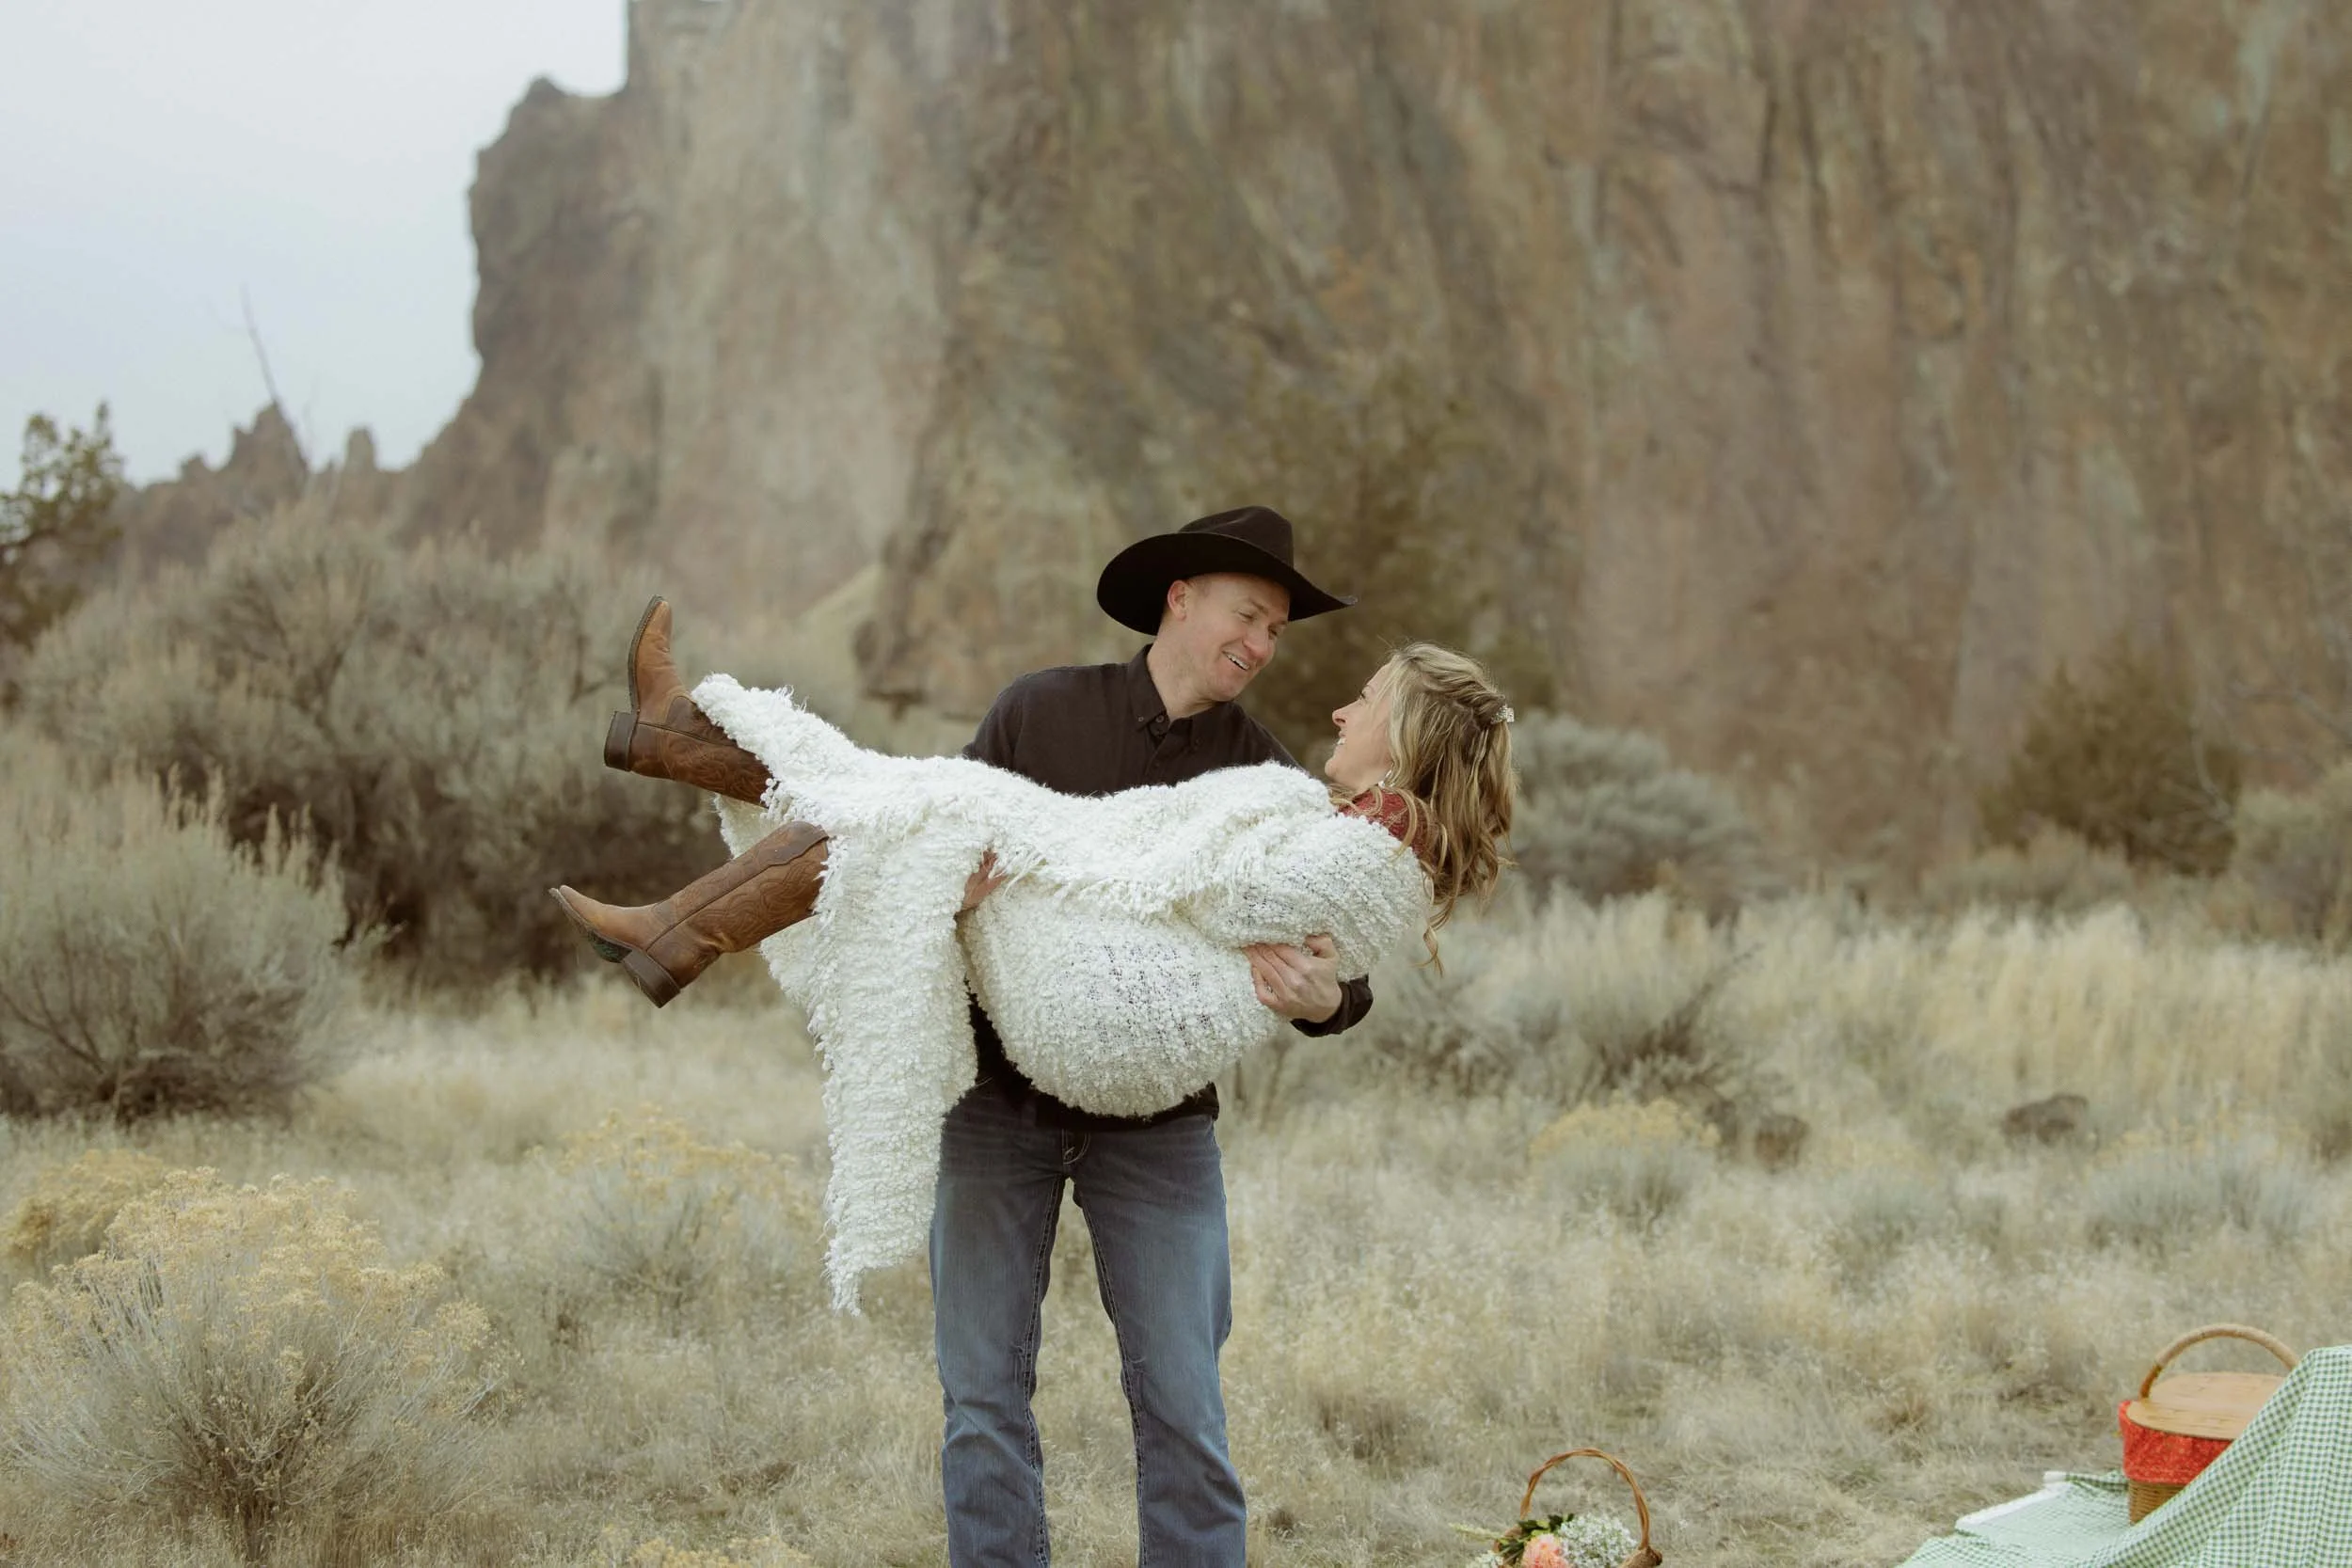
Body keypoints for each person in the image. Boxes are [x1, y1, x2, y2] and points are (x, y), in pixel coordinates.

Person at [554, 505, 1518, 1565]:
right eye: (1248, 615)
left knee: (1184, 1406)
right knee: (981, 1398)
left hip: (1156, 1124)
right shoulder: (1041, 708)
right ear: (1180, 599)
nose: (1261, 645)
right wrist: (952, 889)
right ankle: (673, 867)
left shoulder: (1264, 770)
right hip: (998, 1103)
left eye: (1277, 631)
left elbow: (1334, 954)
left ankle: (674, 815)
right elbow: (919, 845)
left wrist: (1322, 1000)